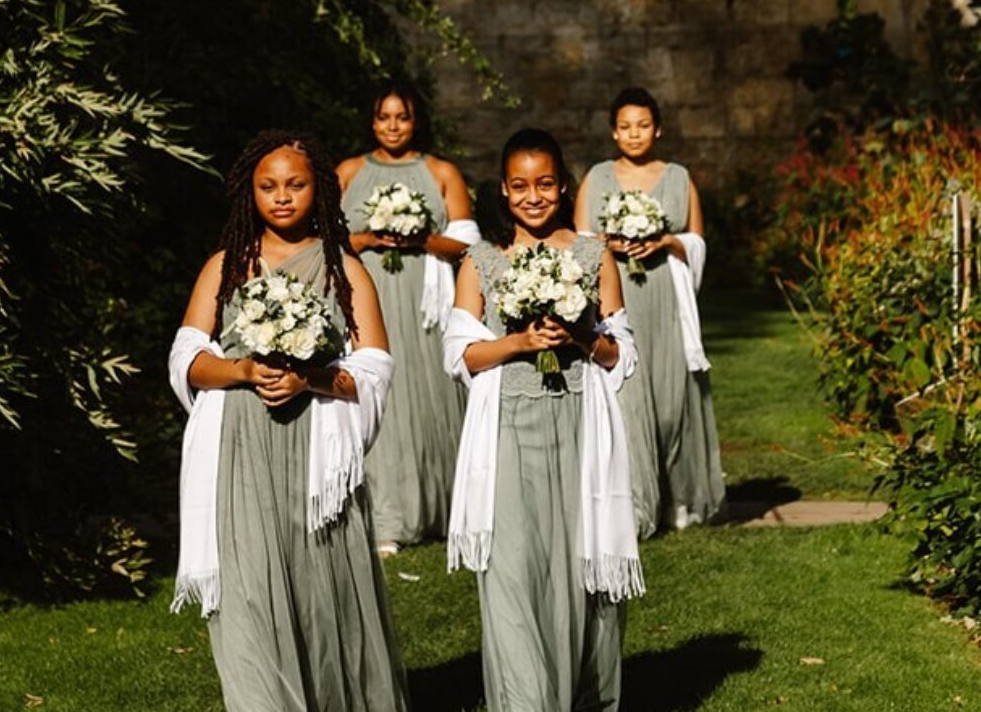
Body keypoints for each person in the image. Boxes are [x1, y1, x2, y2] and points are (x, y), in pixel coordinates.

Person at [169, 131, 408, 712]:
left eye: (295, 185)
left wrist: (311, 380)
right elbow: (187, 360)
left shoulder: (342, 267)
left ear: (319, 189)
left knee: (323, 599)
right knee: (250, 598)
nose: (281, 197)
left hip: (316, 456)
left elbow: (373, 364)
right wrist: (246, 370)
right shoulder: (224, 266)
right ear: (249, 193)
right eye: (267, 187)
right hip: (240, 452)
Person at [445, 128, 642, 712]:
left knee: (582, 570)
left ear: (563, 186)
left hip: (580, 425)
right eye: (521, 186)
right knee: (514, 572)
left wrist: (582, 337)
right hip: (507, 430)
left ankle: (583, 694)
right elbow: (461, 355)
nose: (534, 196)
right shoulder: (481, 260)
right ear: (504, 191)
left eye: (546, 184)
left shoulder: (591, 254)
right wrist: (520, 341)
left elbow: (623, 355)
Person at [576, 87, 725, 537]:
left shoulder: (678, 177)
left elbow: (697, 240)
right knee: (629, 397)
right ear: (613, 131)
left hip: (664, 294)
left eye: (643, 125)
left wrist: (666, 241)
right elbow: (580, 240)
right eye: (625, 126)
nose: (634, 134)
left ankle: (679, 495)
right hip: (617, 295)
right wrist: (611, 244)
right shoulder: (597, 178)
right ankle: (636, 499)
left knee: (672, 396)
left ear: (657, 129)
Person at [339, 80, 479, 551]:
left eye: (402, 117)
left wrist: (419, 238)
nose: (393, 126)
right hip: (370, 298)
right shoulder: (348, 172)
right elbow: (327, 240)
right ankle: (386, 519)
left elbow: (466, 245)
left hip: (425, 307)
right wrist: (372, 237)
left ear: (416, 120)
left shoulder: (441, 172)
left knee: (430, 404)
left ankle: (442, 509)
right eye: (384, 117)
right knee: (381, 406)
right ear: (372, 120)